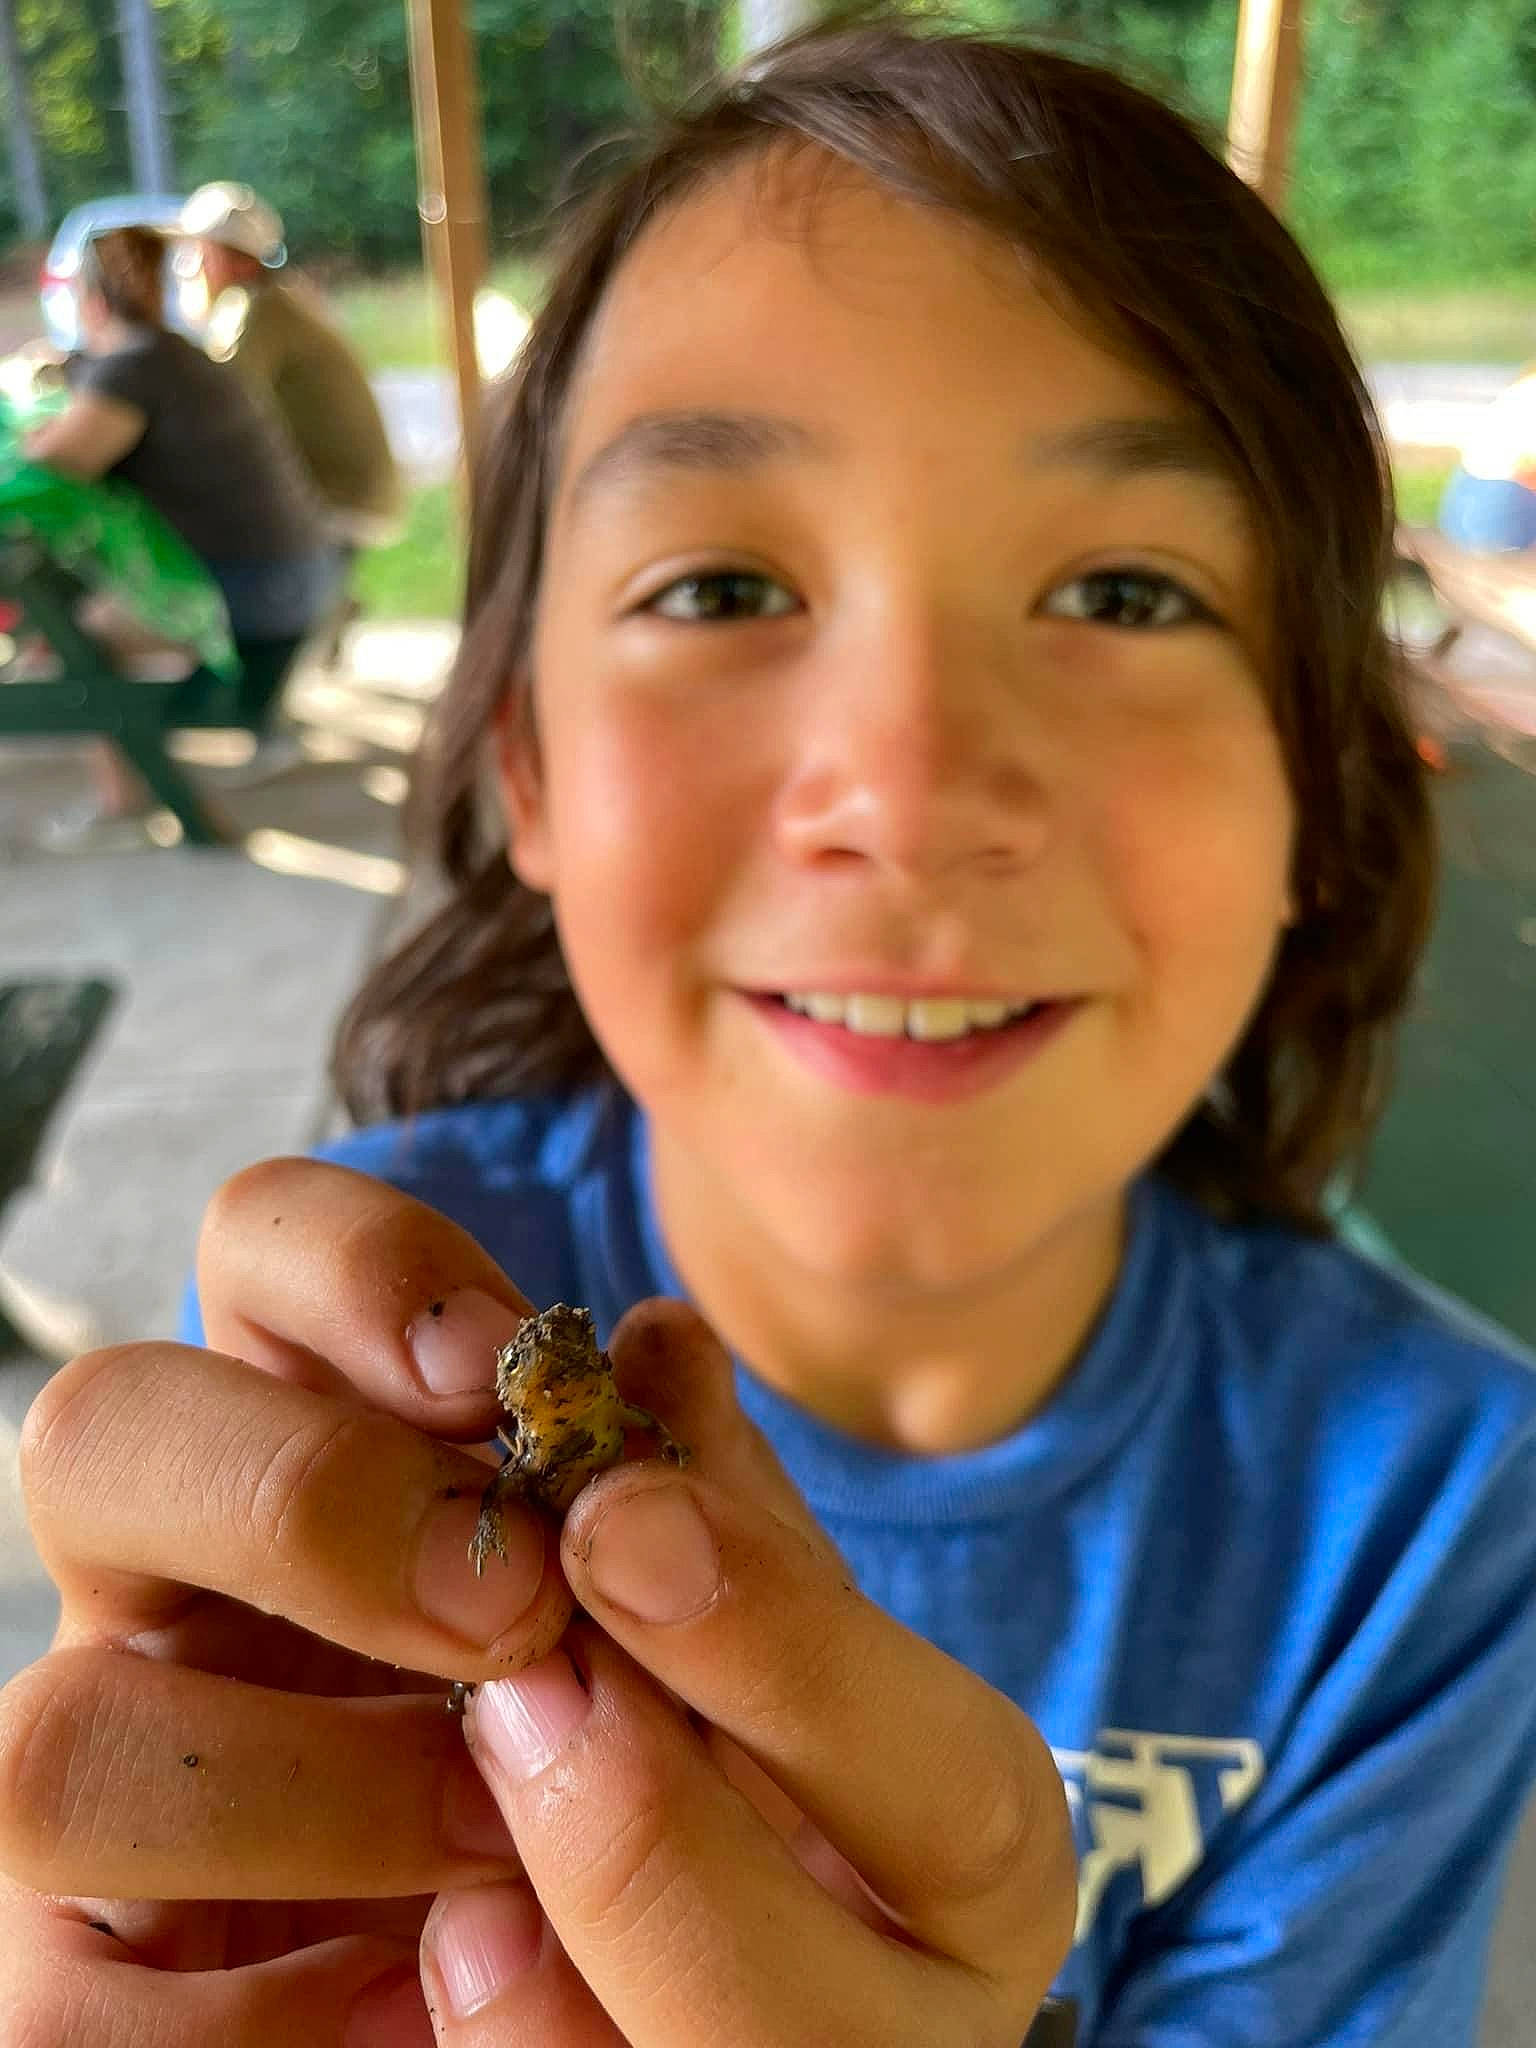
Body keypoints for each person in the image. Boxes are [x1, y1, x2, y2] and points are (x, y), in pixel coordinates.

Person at [2, 22, 1534, 2046]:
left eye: (1131, 592)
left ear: (1322, 801)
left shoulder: (1433, 1506)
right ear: (525, 760)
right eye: (721, 581)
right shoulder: (375, 1339)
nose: (906, 788)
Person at [181, 180, 405, 550]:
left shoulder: (259, 312)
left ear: (233, 259)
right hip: (354, 498)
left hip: (341, 505)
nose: (191, 267)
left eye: (200, 253)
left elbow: (217, 409)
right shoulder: (276, 301)